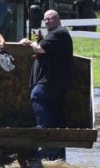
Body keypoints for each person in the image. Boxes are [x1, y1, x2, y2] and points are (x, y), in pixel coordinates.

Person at [19, 9, 73, 159]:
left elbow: (40, 48)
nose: (47, 21)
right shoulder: (55, 34)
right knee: (55, 112)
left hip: (51, 81)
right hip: (56, 81)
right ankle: (56, 152)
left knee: (38, 95)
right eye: (46, 19)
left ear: (57, 19)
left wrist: (28, 42)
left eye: (50, 18)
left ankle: (42, 135)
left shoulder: (59, 33)